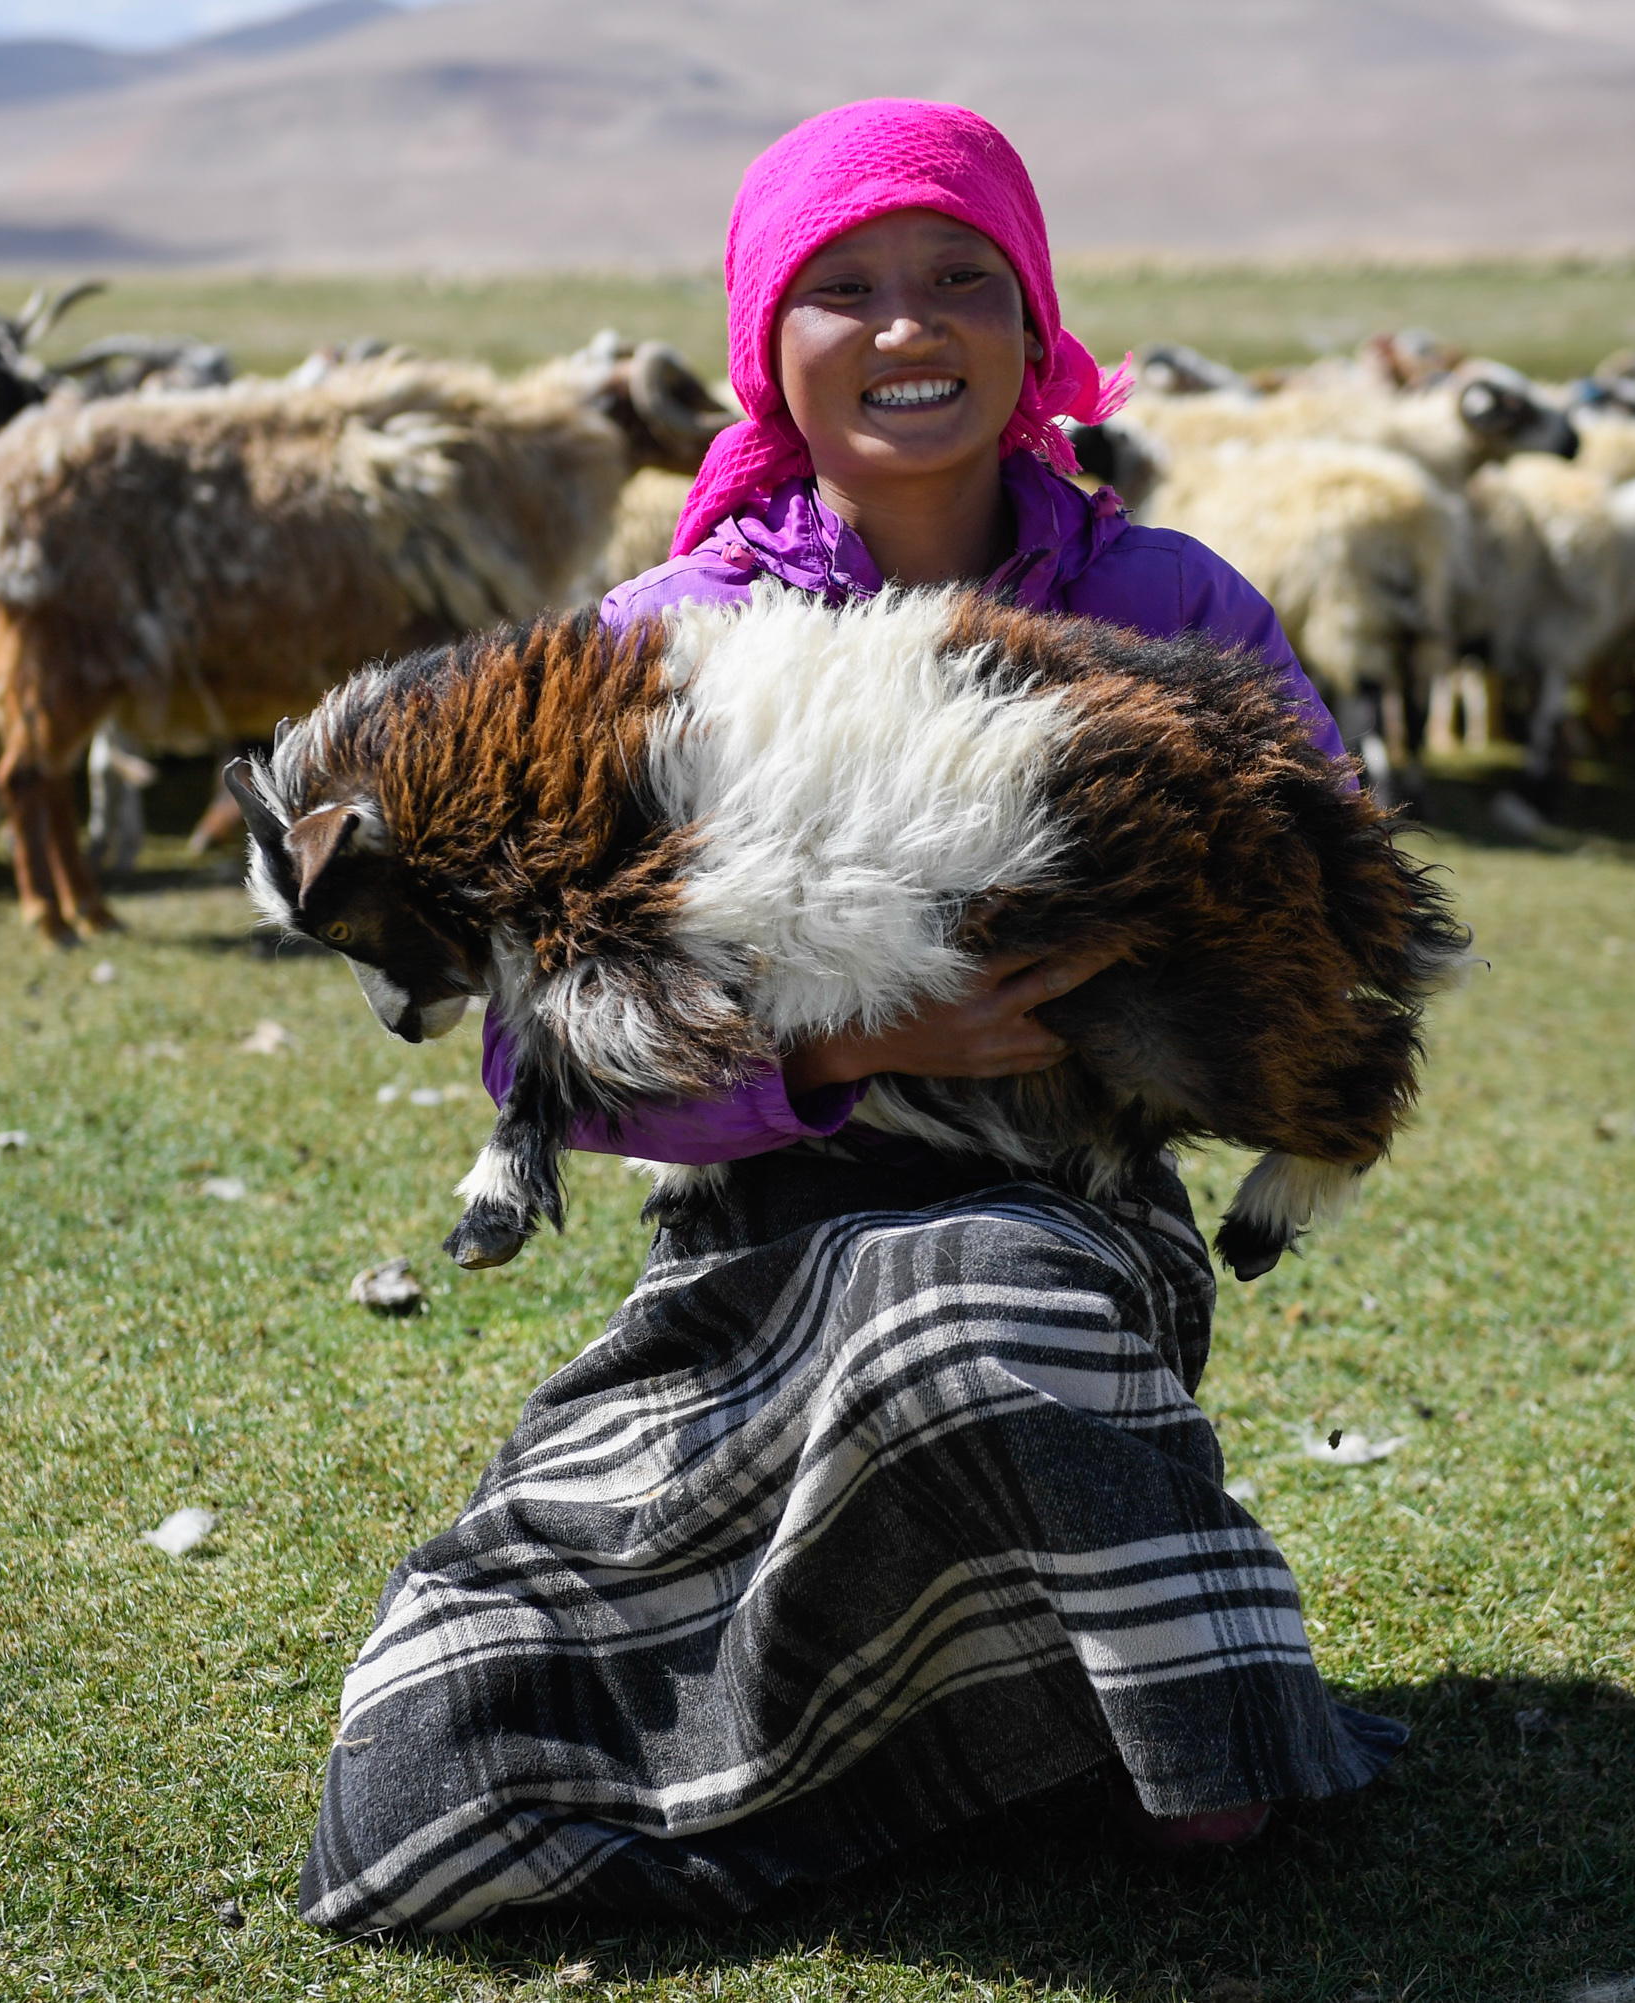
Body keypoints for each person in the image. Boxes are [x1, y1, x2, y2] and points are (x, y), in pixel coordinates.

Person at [299, 98, 1402, 1937]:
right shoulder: (658, 635)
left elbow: (1328, 890)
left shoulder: (1164, 600)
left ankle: (1173, 1723)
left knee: (970, 1321)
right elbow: (535, 1050)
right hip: (755, 1232)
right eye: (846, 289)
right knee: (447, 1740)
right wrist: (847, 1053)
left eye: (963, 278)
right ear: (765, 347)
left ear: (1035, 328)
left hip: (1069, 1209)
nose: (909, 326)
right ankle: (945, 1733)